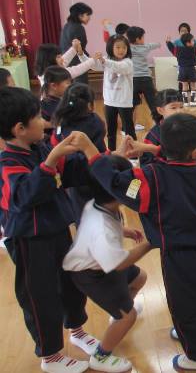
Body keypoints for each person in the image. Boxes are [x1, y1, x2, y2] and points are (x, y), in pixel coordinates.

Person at [77, 113, 196, 371]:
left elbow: (115, 182)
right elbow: (174, 159)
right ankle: (195, 333)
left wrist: (91, 150)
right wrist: (149, 149)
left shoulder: (150, 178)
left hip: (178, 255)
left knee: (183, 306)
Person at [0, 87, 99, 373]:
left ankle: (77, 331)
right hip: (30, 242)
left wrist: (100, 157)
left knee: (71, 284)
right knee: (40, 297)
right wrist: (50, 162)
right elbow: (24, 197)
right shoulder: (7, 164)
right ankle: (50, 356)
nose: (44, 122)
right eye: (37, 117)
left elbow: (71, 171)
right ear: (19, 129)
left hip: (56, 230)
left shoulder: (40, 147)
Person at [62, 154, 150, 373]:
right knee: (128, 317)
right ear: (116, 192)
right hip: (91, 274)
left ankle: (117, 312)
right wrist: (150, 244)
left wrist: (124, 230)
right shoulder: (101, 226)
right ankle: (101, 356)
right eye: (129, 184)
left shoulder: (101, 204)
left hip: (103, 263)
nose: (134, 187)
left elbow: (130, 191)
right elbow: (120, 263)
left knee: (140, 278)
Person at [51, 83, 107, 221]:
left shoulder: (62, 123)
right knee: (102, 211)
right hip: (97, 171)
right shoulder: (95, 121)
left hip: (73, 176)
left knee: (81, 214)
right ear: (89, 105)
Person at [140, 89, 196, 165]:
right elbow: (146, 158)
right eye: (173, 108)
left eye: (181, 107)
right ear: (160, 110)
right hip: (166, 170)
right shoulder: (154, 134)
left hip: (189, 167)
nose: (179, 111)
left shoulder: (188, 127)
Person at [95, 35, 135, 151]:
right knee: (111, 131)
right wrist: (81, 54)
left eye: (124, 47)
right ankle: (111, 154)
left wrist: (104, 61)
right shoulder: (107, 60)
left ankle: (133, 156)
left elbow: (119, 67)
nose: (121, 50)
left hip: (123, 102)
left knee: (129, 131)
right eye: (118, 47)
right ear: (111, 47)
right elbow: (93, 65)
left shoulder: (128, 62)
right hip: (109, 101)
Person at [126, 26, 162, 127]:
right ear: (138, 39)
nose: (144, 39)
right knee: (153, 103)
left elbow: (115, 38)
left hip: (133, 80)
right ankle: (159, 124)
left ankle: (127, 127)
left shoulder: (127, 48)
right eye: (143, 37)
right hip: (146, 79)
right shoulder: (145, 47)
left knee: (131, 105)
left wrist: (109, 26)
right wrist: (159, 44)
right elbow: (154, 45)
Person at [166, 33, 196, 107]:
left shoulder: (178, 50)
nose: (194, 42)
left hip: (182, 69)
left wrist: (168, 42)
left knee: (184, 86)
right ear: (188, 42)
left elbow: (171, 49)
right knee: (193, 85)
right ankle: (192, 101)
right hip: (191, 69)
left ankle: (185, 102)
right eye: (193, 41)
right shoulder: (193, 49)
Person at [59, 2, 93, 84]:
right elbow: (80, 49)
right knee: (80, 87)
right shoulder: (78, 28)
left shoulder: (67, 26)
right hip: (77, 63)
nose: (89, 18)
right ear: (80, 15)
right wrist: (89, 59)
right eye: (88, 15)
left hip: (66, 61)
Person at [40, 66, 72, 138]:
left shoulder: (60, 100)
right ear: (54, 86)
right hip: (53, 140)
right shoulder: (48, 105)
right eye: (67, 83)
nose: (70, 86)